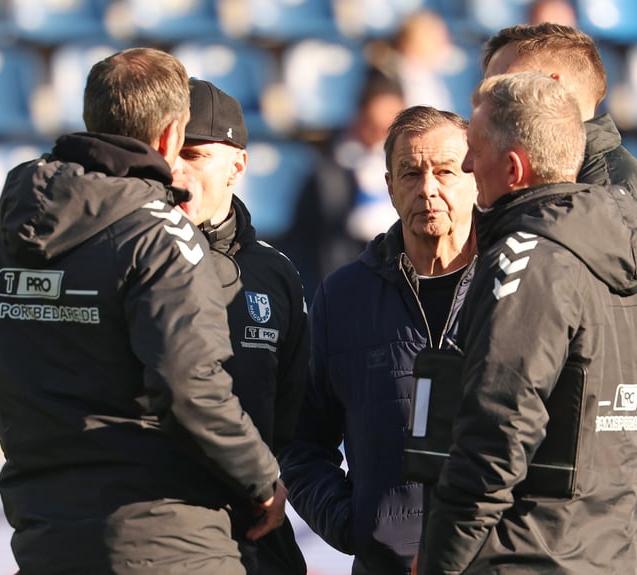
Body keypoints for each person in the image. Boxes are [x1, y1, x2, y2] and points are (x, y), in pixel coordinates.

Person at [0, 47, 282, 575]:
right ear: (169, 137)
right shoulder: (159, 234)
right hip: (167, 541)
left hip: (44, 532)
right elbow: (190, 386)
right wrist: (260, 478)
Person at [420, 71, 637, 574]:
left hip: (525, 556)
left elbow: (496, 434)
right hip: (607, 552)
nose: (465, 164)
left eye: (474, 149)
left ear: (513, 167)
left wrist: (442, 558)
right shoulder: (622, 254)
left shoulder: (530, 259)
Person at [480, 23, 637, 575]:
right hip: (600, 495)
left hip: (607, 504)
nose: (481, 104)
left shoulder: (600, 196)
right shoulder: (608, 185)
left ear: (549, 88)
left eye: (498, 86)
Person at [280, 105, 477, 575]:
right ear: (388, 186)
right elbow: (303, 443)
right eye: (409, 173)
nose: (428, 188)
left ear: (476, 176)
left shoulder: (519, 284)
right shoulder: (343, 296)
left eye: (445, 171)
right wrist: (357, 526)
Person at [179, 78, 309, 575]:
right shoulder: (118, 261)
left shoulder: (275, 274)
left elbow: (297, 422)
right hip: (152, 529)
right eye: (169, 154)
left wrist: (279, 490)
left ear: (237, 165)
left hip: (251, 535)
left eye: (194, 155)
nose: (176, 171)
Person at [281, 75, 406, 300]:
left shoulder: (413, 172)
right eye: (374, 127)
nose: (381, 137)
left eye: (389, 129)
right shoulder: (327, 174)